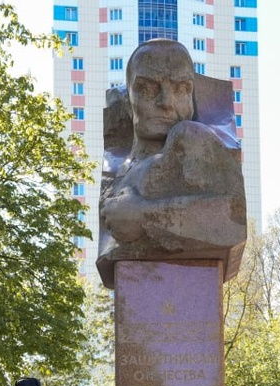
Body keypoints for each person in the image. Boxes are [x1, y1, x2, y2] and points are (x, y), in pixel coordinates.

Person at [96, 39, 247, 286]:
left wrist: (144, 215)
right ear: (127, 100)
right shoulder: (118, 169)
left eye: (180, 88)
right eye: (148, 88)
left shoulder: (190, 137)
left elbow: (233, 218)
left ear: (192, 97)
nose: (166, 101)